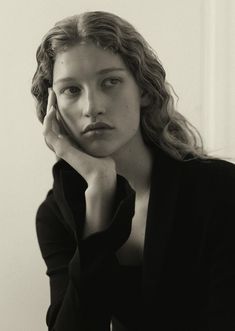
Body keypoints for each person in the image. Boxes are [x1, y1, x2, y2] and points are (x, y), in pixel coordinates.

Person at [31, 11, 235, 331]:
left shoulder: (221, 189)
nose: (91, 107)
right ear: (53, 108)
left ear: (143, 90)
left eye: (110, 82)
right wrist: (98, 192)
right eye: (72, 90)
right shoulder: (56, 214)